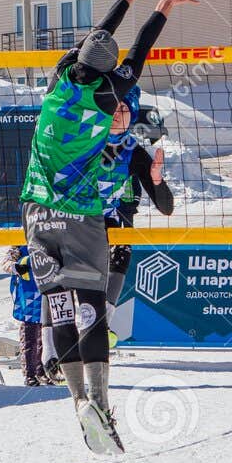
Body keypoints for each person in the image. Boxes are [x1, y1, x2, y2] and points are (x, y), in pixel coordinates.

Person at [20, 0, 199, 454]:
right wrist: (161, 5)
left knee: (55, 302)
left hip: (35, 211)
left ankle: (77, 399)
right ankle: (98, 401)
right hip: (80, 215)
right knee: (90, 306)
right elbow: (138, 50)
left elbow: (102, 36)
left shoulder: (57, 88)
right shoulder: (111, 96)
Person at [100, 89, 175, 331]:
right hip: (76, 219)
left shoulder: (132, 150)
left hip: (107, 222)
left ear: (131, 115)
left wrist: (155, 179)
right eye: (112, 108)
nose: (116, 114)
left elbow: (166, 208)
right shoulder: (86, 139)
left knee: (122, 245)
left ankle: (103, 322)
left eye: (122, 109)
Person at [4, 245, 46, 386]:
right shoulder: (19, 243)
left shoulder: (49, 236)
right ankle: (30, 373)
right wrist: (15, 267)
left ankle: (43, 371)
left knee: (47, 335)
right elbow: (7, 261)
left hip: (48, 291)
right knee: (30, 335)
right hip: (28, 295)